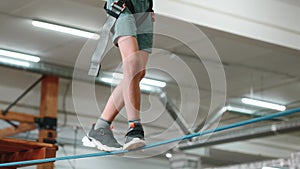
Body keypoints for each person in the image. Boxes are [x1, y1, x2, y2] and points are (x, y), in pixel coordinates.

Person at [88, 0, 154, 151]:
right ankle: (134, 127)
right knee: (132, 65)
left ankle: (101, 126)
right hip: (123, 4)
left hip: (145, 7)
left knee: (139, 72)